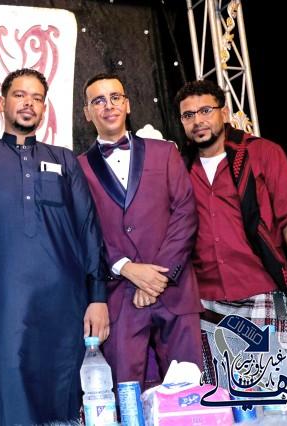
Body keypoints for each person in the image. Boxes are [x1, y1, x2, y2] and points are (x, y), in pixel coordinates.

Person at [0, 68, 108, 425]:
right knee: (1, 400)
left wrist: (97, 297)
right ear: (2, 103)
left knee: (57, 400)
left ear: (44, 109)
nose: (29, 104)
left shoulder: (65, 160)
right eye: (20, 95)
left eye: (37, 98)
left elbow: (88, 229)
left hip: (62, 310)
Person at [175, 79, 287, 405]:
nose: (198, 121)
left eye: (205, 111)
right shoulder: (179, 166)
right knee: (225, 403)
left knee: (282, 402)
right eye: (188, 115)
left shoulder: (262, 153)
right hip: (206, 303)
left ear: (224, 113)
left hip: (262, 290)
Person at [77, 73, 203, 390]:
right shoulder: (77, 168)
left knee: (188, 392)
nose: (109, 106)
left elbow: (185, 213)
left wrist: (158, 276)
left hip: (174, 291)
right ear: (87, 113)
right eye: (98, 101)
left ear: (128, 104)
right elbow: (82, 229)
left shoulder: (165, 152)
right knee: (125, 393)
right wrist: (126, 267)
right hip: (119, 295)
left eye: (115, 97)